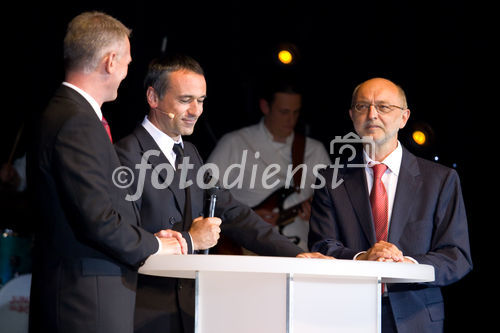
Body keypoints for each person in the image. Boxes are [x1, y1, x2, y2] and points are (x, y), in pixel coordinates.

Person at [114, 54, 330, 333]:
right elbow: (123, 240)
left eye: (201, 100)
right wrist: (192, 240)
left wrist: (296, 255)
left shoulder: (190, 153)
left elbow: (233, 212)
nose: (196, 110)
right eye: (185, 100)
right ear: (153, 97)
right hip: (143, 311)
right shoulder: (125, 156)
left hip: (191, 309)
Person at [27, 12, 187, 333]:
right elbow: (97, 219)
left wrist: (147, 238)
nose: (127, 72)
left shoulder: (69, 112)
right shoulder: (75, 120)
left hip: (83, 295)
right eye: (127, 62)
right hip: (85, 302)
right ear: (110, 61)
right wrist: (155, 246)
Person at [308, 77, 472, 332]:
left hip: (416, 318)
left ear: (404, 118)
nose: (372, 114)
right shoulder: (331, 180)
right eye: (363, 107)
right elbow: (321, 247)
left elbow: (456, 256)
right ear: (352, 116)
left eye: (383, 107)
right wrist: (363, 258)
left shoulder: (440, 180)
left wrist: (409, 265)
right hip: (346, 315)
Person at [207, 75, 331, 251]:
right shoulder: (235, 142)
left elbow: (333, 206)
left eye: (296, 112)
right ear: (265, 106)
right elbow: (207, 194)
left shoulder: (315, 150)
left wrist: (317, 212)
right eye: (284, 112)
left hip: (299, 251)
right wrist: (245, 218)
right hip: (245, 248)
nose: (291, 120)